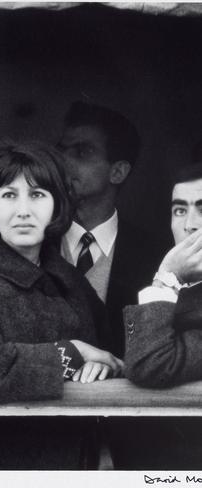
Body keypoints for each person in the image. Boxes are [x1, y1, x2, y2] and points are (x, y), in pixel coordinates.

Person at [0, 142, 123, 469]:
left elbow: (109, 349)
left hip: (73, 462)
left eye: (37, 195)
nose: (23, 210)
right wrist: (74, 352)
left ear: (55, 207)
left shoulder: (70, 280)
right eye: (10, 195)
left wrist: (107, 367)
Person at [57, 101, 167, 357]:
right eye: (62, 149)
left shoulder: (156, 256)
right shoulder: (35, 242)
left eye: (82, 152)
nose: (63, 161)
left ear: (117, 172)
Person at [118, 164, 202, 469]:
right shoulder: (153, 282)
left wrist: (166, 277)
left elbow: (149, 364)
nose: (190, 225)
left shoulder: (163, 280)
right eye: (180, 210)